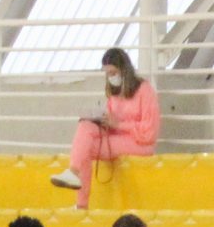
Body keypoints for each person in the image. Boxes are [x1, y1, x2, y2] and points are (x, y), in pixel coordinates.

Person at [52, 47, 161, 208]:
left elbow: (149, 132)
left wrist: (119, 125)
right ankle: (73, 174)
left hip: (139, 142)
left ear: (124, 70)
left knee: (85, 148)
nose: (111, 77)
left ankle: (81, 200)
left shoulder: (144, 90)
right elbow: (113, 122)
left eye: (113, 73)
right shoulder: (114, 93)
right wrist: (102, 121)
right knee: (85, 126)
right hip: (117, 136)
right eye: (108, 74)